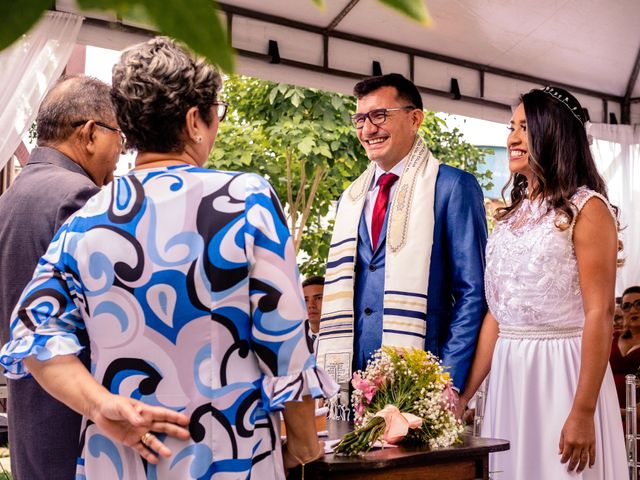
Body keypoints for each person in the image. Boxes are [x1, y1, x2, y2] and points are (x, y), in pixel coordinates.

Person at [0, 37, 337, 479]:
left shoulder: (87, 219)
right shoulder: (244, 201)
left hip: (117, 462)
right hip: (228, 456)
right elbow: (286, 340)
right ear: (196, 119)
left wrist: (99, 404)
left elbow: (34, 337)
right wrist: (304, 444)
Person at [458, 86, 626, 479]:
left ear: (553, 135)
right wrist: (464, 394)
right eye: (511, 127)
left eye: (524, 128)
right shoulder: (510, 217)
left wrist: (583, 410)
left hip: (563, 374)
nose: (512, 138)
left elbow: (600, 313)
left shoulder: (588, 209)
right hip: (509, 377)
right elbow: (498, 316)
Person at [316, 73, 487, 405]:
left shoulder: (451, 187)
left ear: (415, 118)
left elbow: (473, 293)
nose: (368, 130)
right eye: (360, 119)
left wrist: (445, 380)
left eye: (380, 116)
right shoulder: (349, 198)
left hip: (421, 376)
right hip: (351, 384)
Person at [0, 74, 121, 480]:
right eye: (119, 137)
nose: (120, 155)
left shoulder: (8, 199)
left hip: (27, 418)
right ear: (89, 134)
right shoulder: (80, 198)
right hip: (76, 422)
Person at [611, 286, 640, 417]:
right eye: (627, 306)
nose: (633, 310)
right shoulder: (610, 338)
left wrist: (622, 414)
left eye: (639, 304)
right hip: (606, 412)